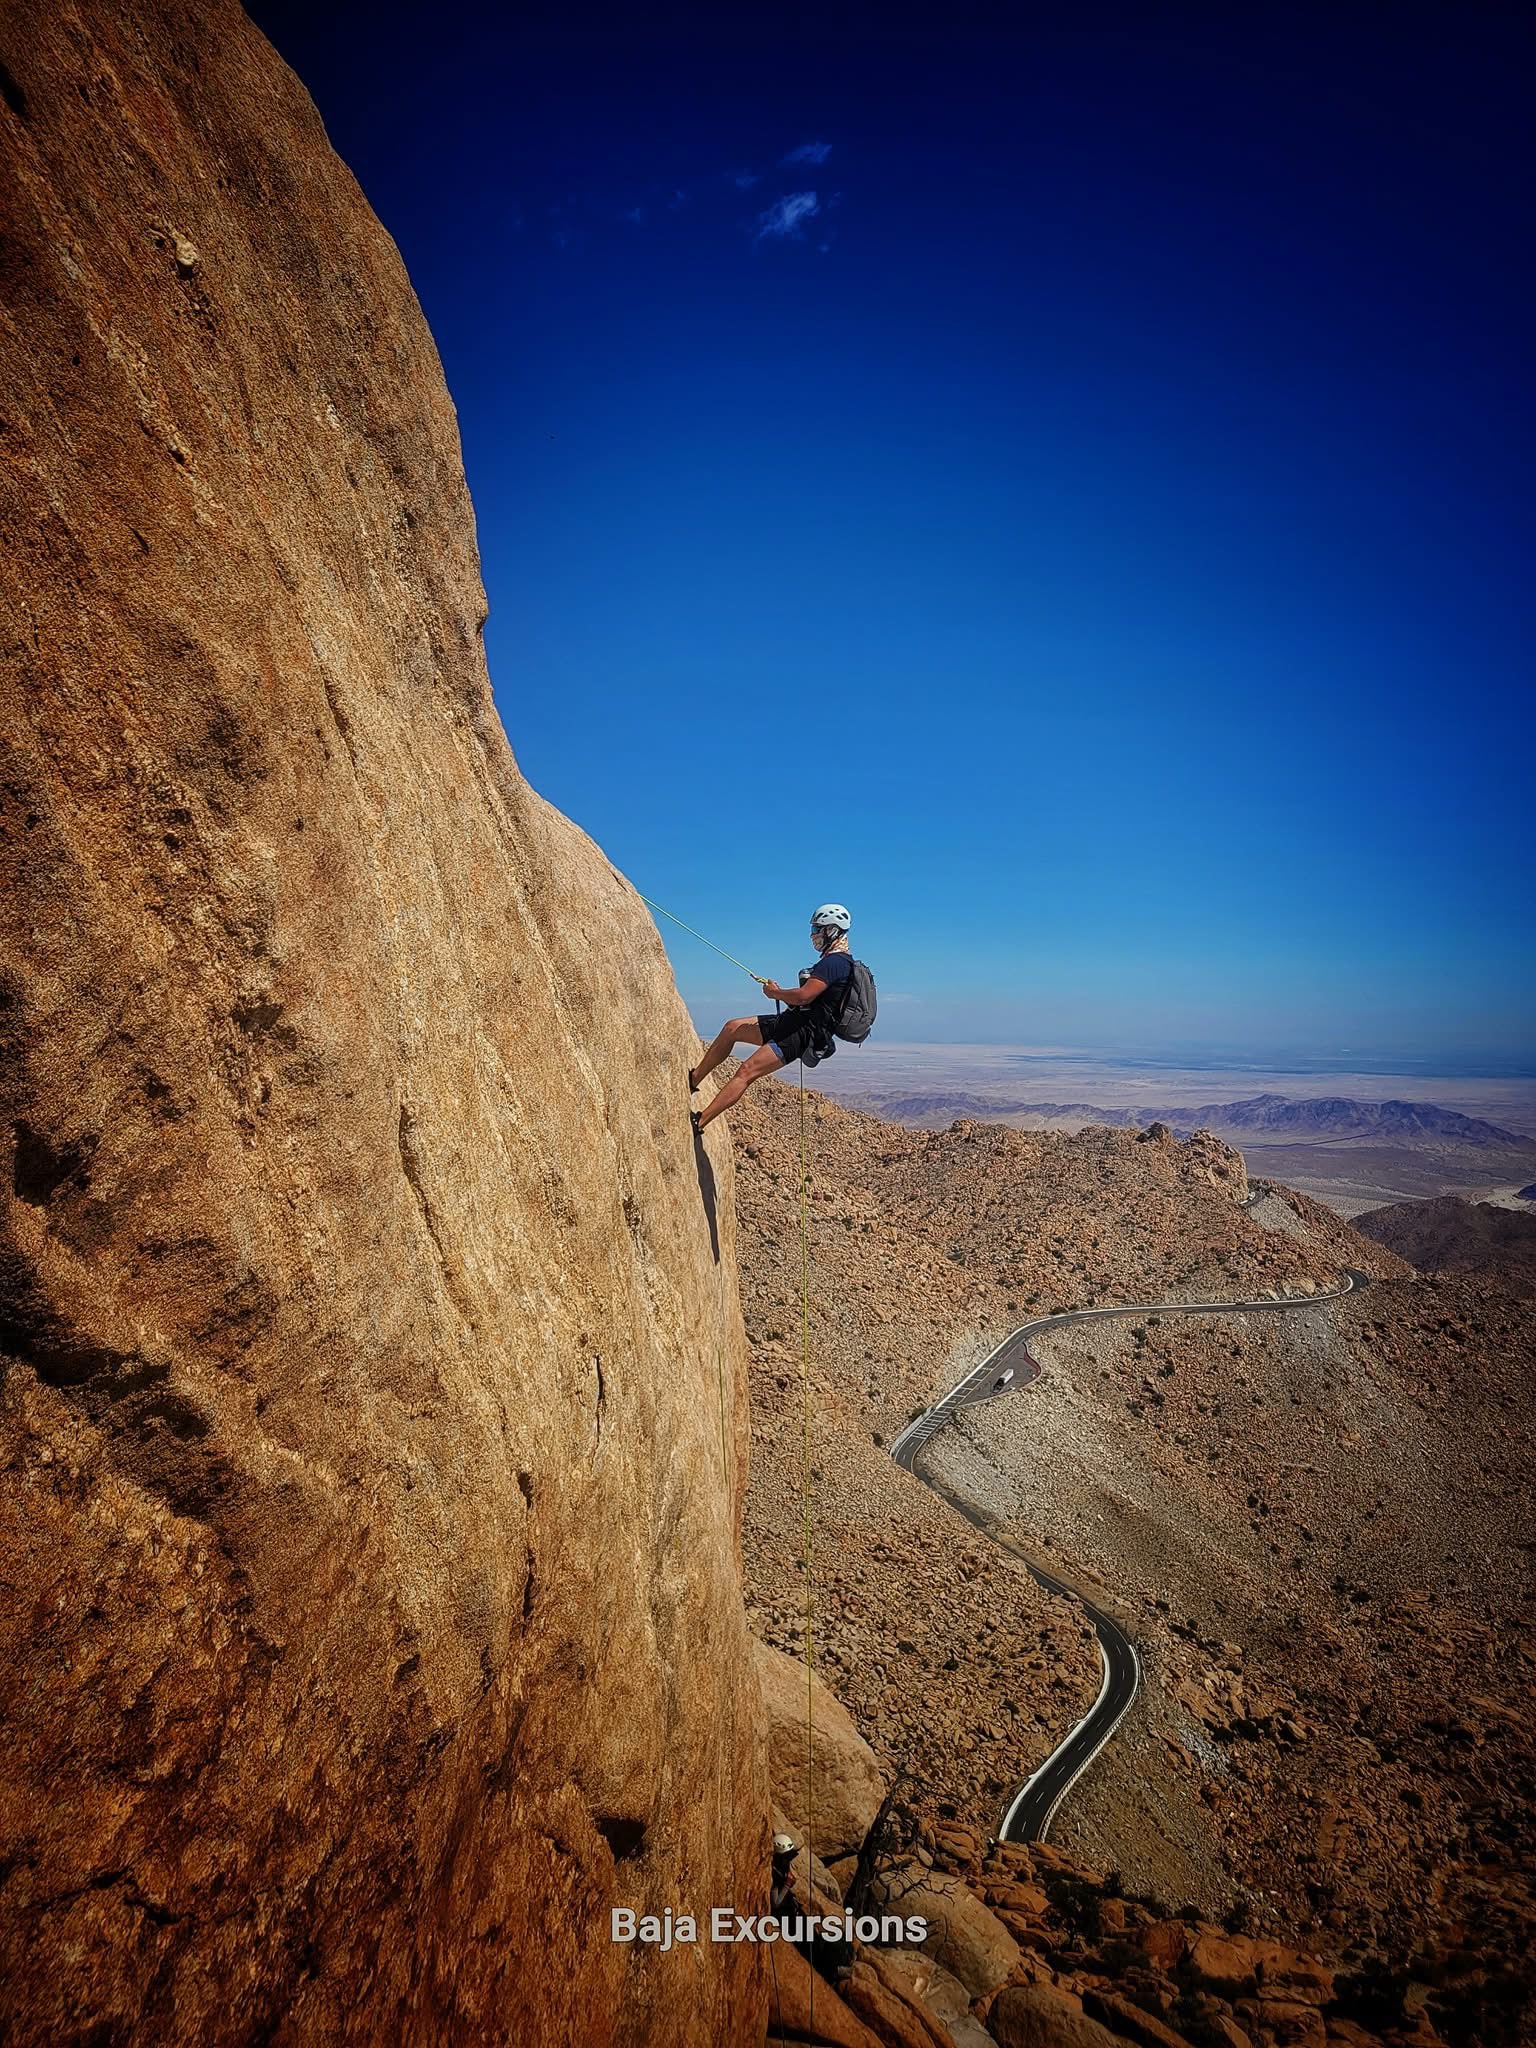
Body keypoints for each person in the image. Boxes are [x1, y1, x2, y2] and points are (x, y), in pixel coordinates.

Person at [689, 903, 855, 1134]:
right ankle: (694, 1079)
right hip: (793, 1022)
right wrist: (778, 992)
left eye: (817, 929)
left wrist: (774, 993)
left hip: (801, 1035)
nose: (813, 935)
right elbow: (810, 1002)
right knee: (732, 1028)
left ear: (832, 930)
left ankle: (700, 1122)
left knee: (747, 1071)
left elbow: (804, 996)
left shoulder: (835, 963)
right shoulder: (833, 961)